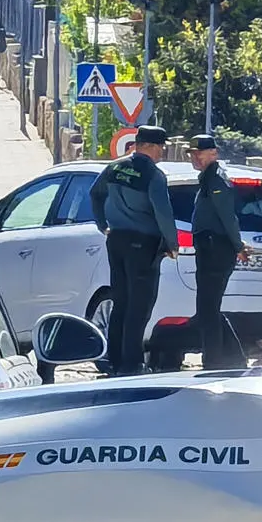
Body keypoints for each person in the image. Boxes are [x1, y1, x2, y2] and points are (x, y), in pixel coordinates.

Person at [88, 125, 177, 374]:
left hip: (115, 240)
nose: (162, 152)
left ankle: (114, 360)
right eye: (161, 147)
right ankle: (132, 364)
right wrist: (172, 243)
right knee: (140, 307)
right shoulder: (153, 175)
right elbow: (163, 212)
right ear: (150, 146)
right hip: (143, 244)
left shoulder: (115, 167)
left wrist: (102, 224)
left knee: (121, 303)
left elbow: (94, 194)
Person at [189, 134, 247, 370]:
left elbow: (227, 216)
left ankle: (215, 360)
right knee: (207, 308)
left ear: (213, 153)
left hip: (216, 248)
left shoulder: (216, 180)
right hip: (209, 247)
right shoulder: (207, 178)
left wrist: (238, 246)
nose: (194, 157)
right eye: (192, 153)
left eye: (199, 153)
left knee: (207, 308)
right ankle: (233, 358)